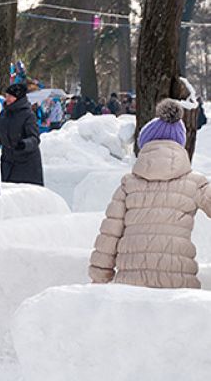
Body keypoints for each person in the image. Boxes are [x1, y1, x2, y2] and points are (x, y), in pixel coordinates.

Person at [89, 99, 211, 289]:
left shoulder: (128, 185)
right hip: (178, 281)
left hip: (129, 284)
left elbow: (110, 234)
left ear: (144, 145)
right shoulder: (195, 183)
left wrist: (100, 278)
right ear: (180, 145)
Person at [0, 83, 44, 186]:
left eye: (10, 96)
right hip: (8, 163)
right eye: (6, 96)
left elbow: (34, 138)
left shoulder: (28, 115)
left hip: (26, 164)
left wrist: (24, 144)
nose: (7, 99)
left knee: (25, 197)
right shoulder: (4, 114)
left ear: (18, 98)